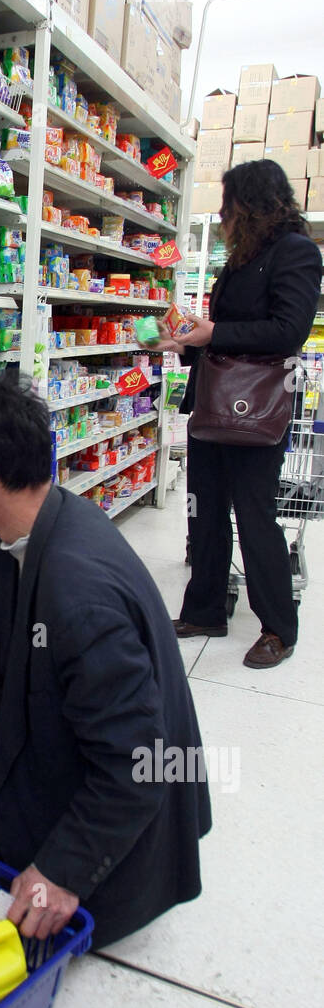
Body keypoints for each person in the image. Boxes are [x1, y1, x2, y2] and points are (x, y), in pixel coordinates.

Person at [0, 373, 211, 950]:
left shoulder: (77, 597)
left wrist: (61, 873)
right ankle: (4, 789)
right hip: (75, 760)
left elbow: (140, 764)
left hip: (118, 848)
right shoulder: (47, 521)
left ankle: (17, 837)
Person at [160, 160, 322, 668]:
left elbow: (287, 331)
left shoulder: (296, 253)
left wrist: (214, 335)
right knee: (204, 513)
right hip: (213, 403)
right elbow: (223, 330)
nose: (223, 214)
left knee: (255, 516)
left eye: (228, 204)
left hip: (258, 409)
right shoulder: (240, 258)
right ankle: (206, 608)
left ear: (250, 204)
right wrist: (183, 344)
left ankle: (278, 627)